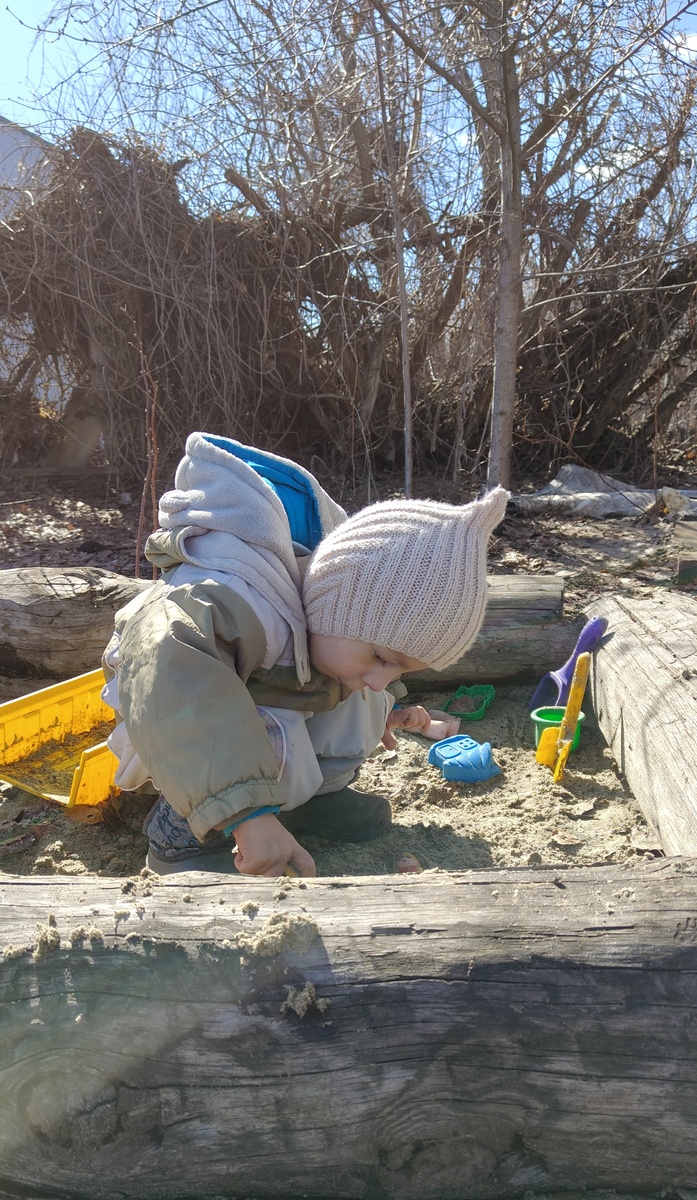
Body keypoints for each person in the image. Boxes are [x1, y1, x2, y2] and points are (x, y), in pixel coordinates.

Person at [102, 432, 509, 877]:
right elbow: (176, 690)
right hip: (165, 720)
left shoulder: (328, 626)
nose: (382, 675)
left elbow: (341, 670)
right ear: (336, 607)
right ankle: (183, 837)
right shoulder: (231, 600)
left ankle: (308, 802)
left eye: (401, 669)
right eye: (381, 656)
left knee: (364, 699)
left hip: (248, 694)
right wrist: (246, 817)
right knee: (272, 730)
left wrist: (387, 708)